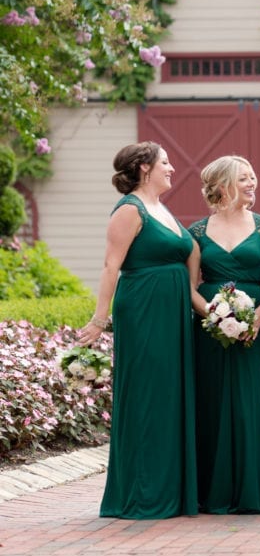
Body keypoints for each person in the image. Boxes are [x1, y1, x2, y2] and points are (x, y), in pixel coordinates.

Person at [77, 141, 199, 519]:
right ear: (144, 167)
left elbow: (190, 249)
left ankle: (171, 489)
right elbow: (111, 266)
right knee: (148, 395)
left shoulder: (160, 208)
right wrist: (100, 319)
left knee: (169, 396)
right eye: (165, 162)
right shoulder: (129, 209)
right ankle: (143, 492)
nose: (172, 168)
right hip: (144, 311)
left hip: (172, 312)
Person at [188, 156, 260, 514]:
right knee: (210, 403)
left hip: (251, 330)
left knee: (247, 406)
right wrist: (212, 313)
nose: (252, 183)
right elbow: (190, 286)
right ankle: (212, 493)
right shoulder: (195, 233)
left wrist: (257, 317)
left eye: (253, 177)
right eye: (244, 178)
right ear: (224, 184)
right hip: (208, 330)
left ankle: (249, 494)